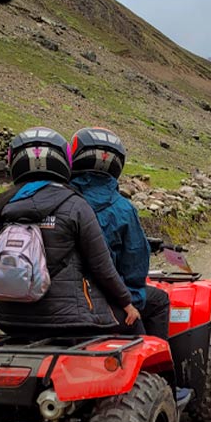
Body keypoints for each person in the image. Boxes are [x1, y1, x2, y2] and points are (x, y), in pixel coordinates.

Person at [0, 127, 140, 337]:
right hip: (65, 319)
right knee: (136, 327)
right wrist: (127, 303)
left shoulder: (4, 204)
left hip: (4, 317)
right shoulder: (76, 204)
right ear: (65, 161)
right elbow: (102, 265)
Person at [68, 127, 171, 341]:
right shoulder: (123, 209)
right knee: (159, 301)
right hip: (105, 301)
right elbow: (134, 265)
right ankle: (160, 369)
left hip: (60, 300)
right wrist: (130, 301)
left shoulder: (60, 200)